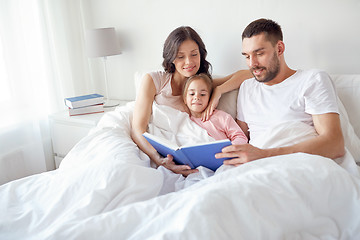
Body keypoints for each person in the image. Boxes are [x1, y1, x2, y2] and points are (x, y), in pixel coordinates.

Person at [213, 18, 345, 165]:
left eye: (259, 53)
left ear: (279, 49)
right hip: (253, 168)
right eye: (247, 56)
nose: (252, 64)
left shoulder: (312, 80)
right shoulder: (247, 87)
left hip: (297, 165)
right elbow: (239, 139)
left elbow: (335, 144)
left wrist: (264, 155)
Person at [131, 26, 251, 176]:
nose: (189, 62)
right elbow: (137, 129)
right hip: (161, 154)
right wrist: (159, 159)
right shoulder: (154, 80)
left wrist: (219, 90)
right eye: (181, 56)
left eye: (194, 54)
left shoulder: (200, 85)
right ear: (171, 57)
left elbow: (247, 74)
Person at [183, 73, 248, 145]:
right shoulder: (184, 121)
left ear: (210, 98)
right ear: (185, 99)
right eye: (192, 94)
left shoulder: (221, 117)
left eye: (202, 94)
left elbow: (241, 137)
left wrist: (228, 150)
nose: (197, 97)